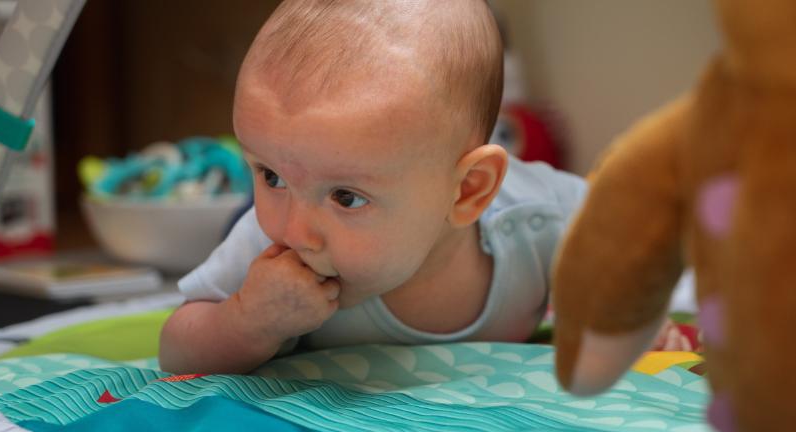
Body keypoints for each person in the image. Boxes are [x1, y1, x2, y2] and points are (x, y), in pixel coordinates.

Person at [158, 0, 680, 375]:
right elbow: (176, 352)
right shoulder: (267, 245)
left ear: (468, 191)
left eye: (346, 197)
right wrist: (248, 321)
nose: (295, 230)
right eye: (269, 174)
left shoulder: (538, 217)